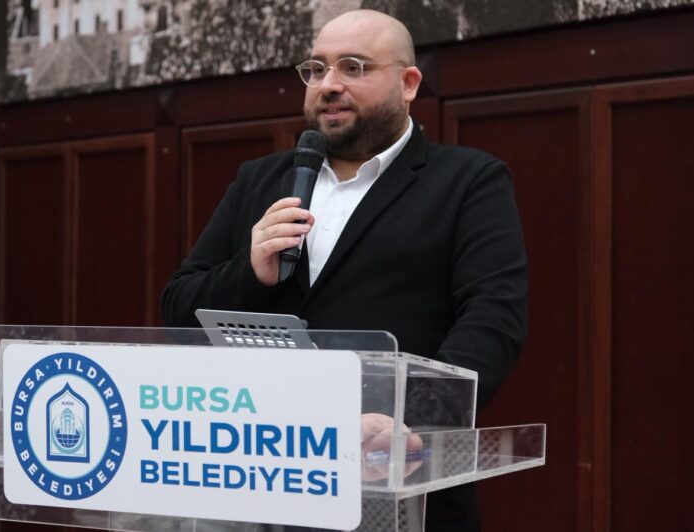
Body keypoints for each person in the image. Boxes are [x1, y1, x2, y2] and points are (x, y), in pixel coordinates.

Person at [161, 9, 527, 532]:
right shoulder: (261, 180)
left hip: (397, 484)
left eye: (354, 67)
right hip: (264, 479)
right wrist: (251, 272)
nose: (328, 85)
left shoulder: (468, 180)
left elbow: (493, 320)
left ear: (408, 83)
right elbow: (179, 308)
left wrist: (406, 424)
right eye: (316, 69)